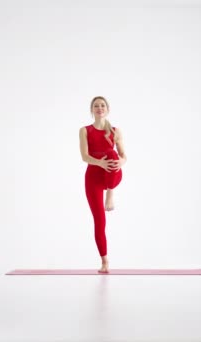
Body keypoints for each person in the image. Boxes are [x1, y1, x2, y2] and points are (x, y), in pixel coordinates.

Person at [79, 96, 127, 273]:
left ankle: (110, 193)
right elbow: (84, 156)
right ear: (92, 110)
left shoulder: (115, 131)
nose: (99, 108)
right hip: (93, 177)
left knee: (112, 153)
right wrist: (100, 164)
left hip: (113, 173)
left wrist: (121, 162)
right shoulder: (84, 131)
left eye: (102, 105)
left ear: (107, 109)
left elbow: (124, 156)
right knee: (99, 220)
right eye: (96, 106)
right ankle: (105, 262)